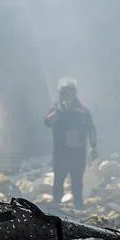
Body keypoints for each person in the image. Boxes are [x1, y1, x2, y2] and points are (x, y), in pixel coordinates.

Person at [44, 78, 97, 209]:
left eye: (67, 92)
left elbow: (91, 129)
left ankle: (78, 207)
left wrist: (93, 147)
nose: (64, 95)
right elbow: (47, 122)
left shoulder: (82, 112)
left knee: (77, 181)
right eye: (62, 92)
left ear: (74, 93)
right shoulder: (56, 110)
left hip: (77, 152)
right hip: (61, 151)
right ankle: (56, 206)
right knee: (59, 179)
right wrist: (56, 114)